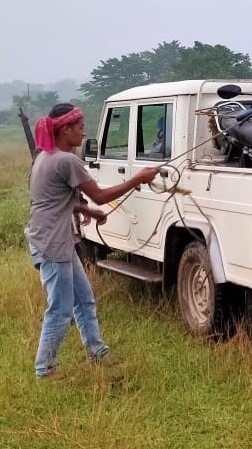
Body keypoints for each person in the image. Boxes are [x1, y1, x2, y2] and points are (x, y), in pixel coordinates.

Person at [26, 103, 159, 380]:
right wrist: (137, 179)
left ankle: (97, 354)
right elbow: (99, 195)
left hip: (54, 239)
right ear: (65, 130)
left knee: (84, 301)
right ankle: (45, 370)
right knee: (61, 310)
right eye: (80, 126)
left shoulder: (45, 156)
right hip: (53, 244)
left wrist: (86, 211)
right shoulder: (66, 160)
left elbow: (52, 200)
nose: (84, 132)